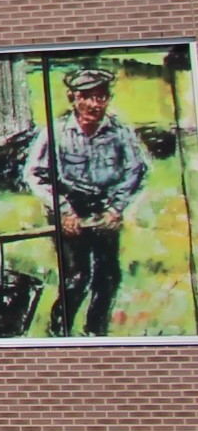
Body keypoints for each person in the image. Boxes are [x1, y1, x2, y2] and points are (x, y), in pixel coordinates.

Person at [27, 66, 152, 337]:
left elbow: (136, 171)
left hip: (104, 210)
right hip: (69, 208)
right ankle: (59, 331)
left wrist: (116, 208)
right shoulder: (57, 132)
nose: (95, 104)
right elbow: (36, 175)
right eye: (87, 97)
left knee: (107, 278)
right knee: (76, 278)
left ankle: (95, 333)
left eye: (101, 97)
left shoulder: (120, 132)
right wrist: (63, 212)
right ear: (73, 98)